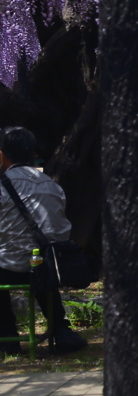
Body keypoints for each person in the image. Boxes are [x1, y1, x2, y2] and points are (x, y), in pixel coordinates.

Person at [0, 127, 87, 355]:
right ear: (33, 153)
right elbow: (60, 229)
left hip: (11, 266)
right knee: (39, 265)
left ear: (2, 155)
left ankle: (7, 339)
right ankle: (61, 330)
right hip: (50, 265)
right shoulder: (50, 183)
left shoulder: (2, 185)